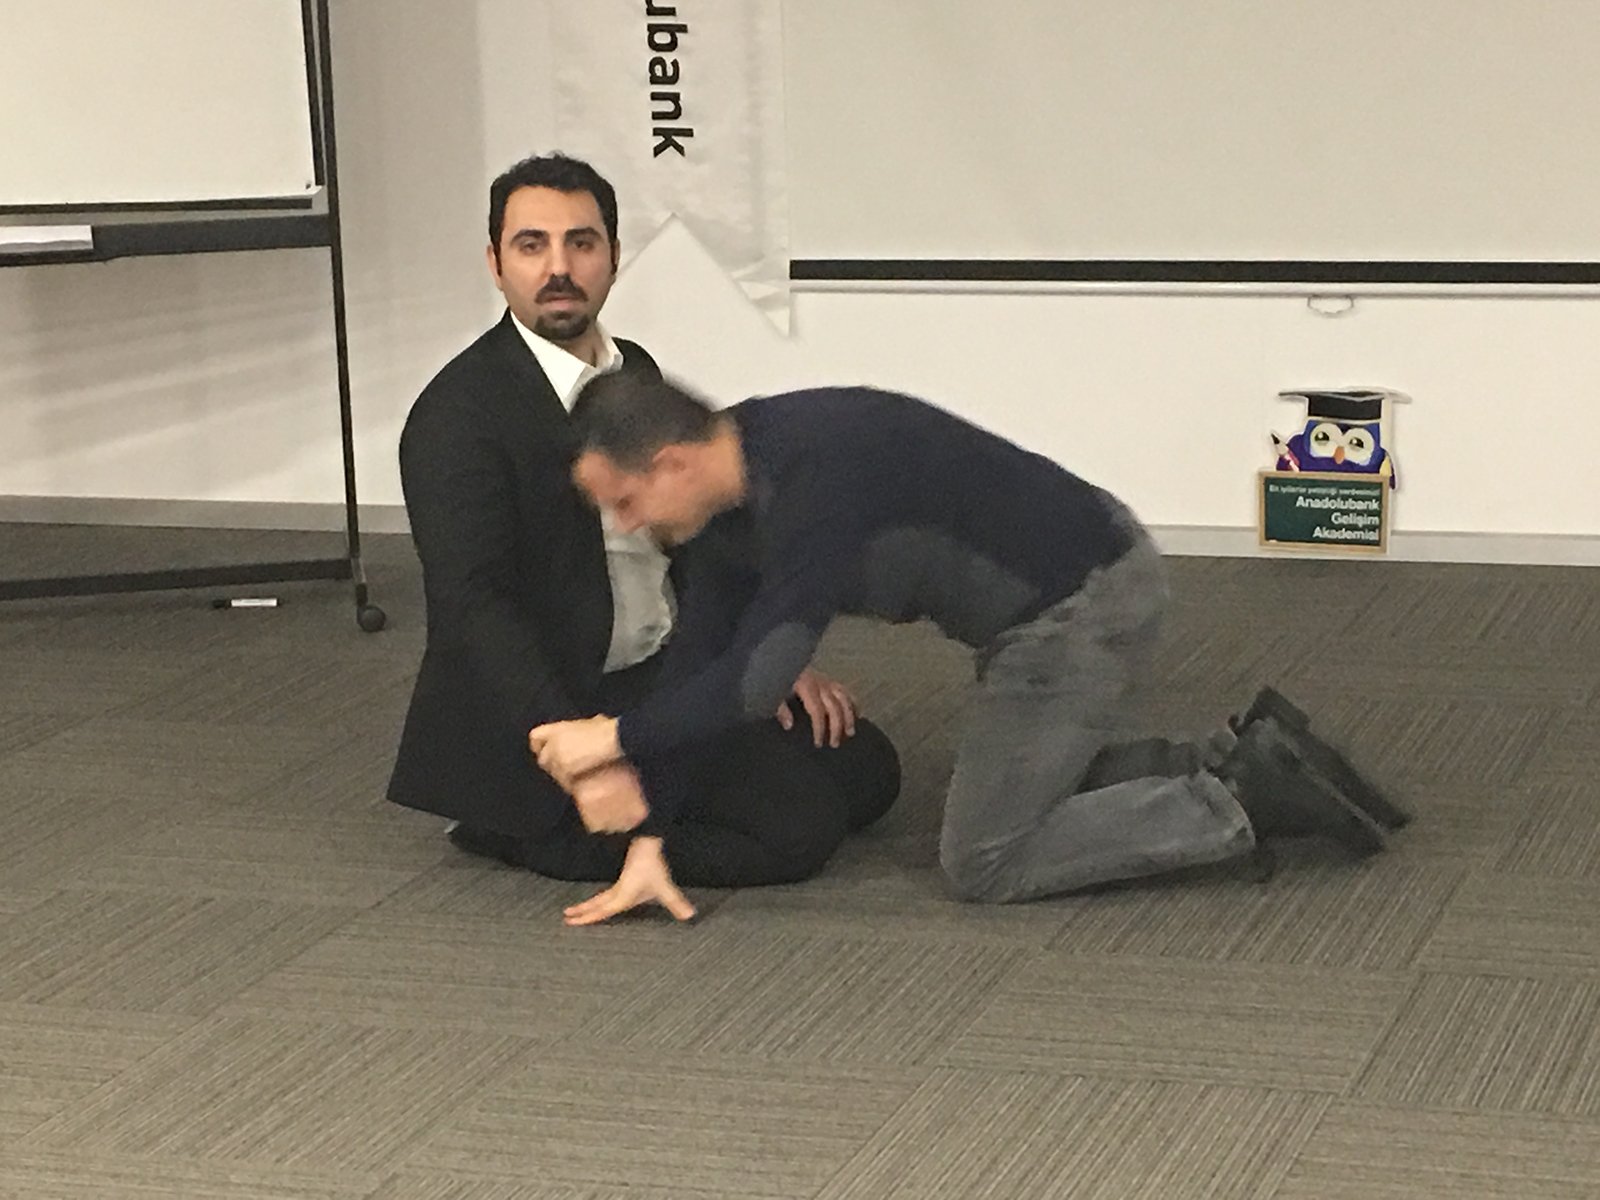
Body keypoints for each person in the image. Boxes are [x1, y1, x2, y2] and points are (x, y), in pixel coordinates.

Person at [530, 376, 1403, 921]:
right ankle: (1237, 754)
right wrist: (652, 838)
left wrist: (609, 738)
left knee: (985, 857)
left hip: (1084, 607)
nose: (626, 526)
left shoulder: (815, 477)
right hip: (1055, 601)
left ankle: (1238, 801)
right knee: (1015, 792)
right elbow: (704, 662)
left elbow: (755, 685)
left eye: (626, 502)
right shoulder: (728, 503)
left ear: (672, 463)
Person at [387, 154, 901, 915]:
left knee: (866, 769)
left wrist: (763, 656)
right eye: (531, 245)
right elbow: (476, 611)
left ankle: (668, 788)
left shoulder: (634, 376)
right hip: (555, 699)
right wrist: (582, 757)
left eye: (581, 243)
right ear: (495, 264)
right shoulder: (456, 419)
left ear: (614, 256)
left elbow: (696, 539)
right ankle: (529, 831)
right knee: (799, 828)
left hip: (657, 673)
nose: (559, 268)